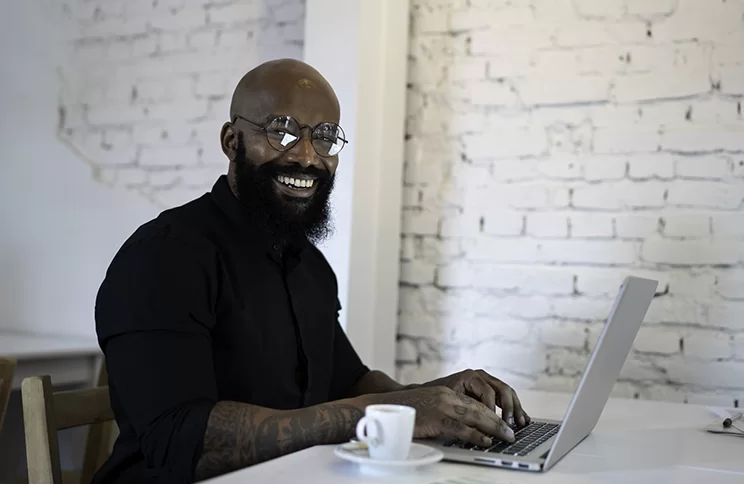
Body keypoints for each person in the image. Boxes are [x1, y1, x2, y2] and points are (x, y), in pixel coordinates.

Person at [93, 59, 529, 483]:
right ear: (231, 141)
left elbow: (350, 382)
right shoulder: (164, 256)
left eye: (324, 137)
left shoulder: (309, 265)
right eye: (281, 131)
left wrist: (437, 397)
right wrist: (393, 412)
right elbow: (179, 439)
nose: (306, 157)